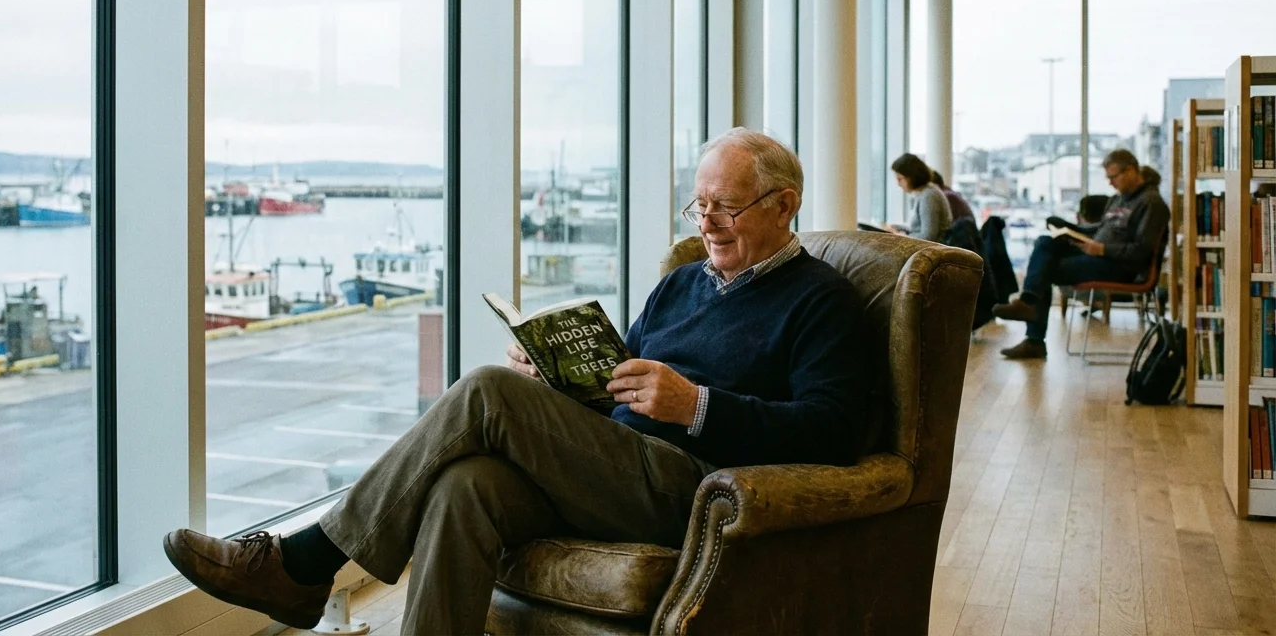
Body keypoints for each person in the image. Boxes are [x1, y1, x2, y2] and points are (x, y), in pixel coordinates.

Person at [161, 129, 871, 635]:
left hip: (693, 486)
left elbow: (834, 432)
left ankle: (304, 564)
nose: (709, 223)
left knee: (486, 393)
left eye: (729, 206)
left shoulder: (821, 301)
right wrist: (562, 380)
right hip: (617, 465)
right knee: (462, 486)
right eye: (700, 205)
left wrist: (699, 407)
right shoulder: (683, 282)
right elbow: (626, 383)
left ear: (784, 206)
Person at [992, 149, 1170, 360]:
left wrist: (1103, 250)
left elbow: (1142, 251)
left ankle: (1033, 336)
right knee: (1045, 242)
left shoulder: (1151, 203)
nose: (1111, 183)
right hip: (1098, 256)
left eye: (1114, 177)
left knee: (1045, 270)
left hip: (1121, 267)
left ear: (1131, 170)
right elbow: (1098, 230)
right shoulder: (1119, 199)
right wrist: (1067, 228)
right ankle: (1028, 303)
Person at [891, 153, 953, 242]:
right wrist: (895, 228)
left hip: (933, 252)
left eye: (900, 178)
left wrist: (901, 237)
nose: (898, 183)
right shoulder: (922, 193)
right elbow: (915, 228)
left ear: (912, 177)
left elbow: (928, 237)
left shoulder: (929, 196)